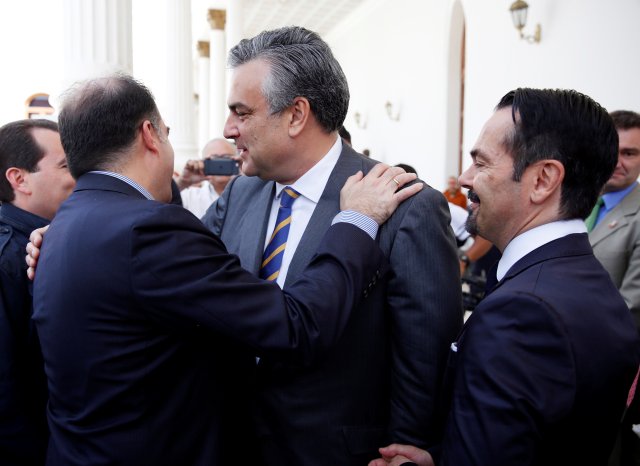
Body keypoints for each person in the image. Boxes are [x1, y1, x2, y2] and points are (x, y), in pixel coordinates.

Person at [30, 74, 420, 466]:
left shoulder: (63, 229)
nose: (228, 129)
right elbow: (295, 325)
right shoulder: (146, 230)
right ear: (150, 134)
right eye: (168, 133)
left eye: (241, 113)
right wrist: (356, 220)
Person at [201, 26, 462, 466]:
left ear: (296, 115)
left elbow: (422, 358)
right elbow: (180, 261)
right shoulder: (240, 194)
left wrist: (407, 448)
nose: (228, 129)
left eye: (241, 113)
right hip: (233, 444)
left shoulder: (405, 205)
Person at [370, 88, 640, 466]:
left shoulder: (524, 312)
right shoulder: (585, 280)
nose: (464, 179)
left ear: (543, 179)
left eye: (481, 163)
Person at [0, 119, 75, 465]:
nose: (79, 174)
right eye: (65, 164)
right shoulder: (8, 258)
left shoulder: (53, 239)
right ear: (19, 179)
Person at [587, 110, 640, 466]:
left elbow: (631, 305)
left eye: (631, 153)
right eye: (613, 149)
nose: (618, 162)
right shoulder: (580, 203)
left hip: (605, 366)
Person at [174, 138, 237, 218]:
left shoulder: (247, 195)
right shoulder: (190, 196)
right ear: (203, 162)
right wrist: (181, 182)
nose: (220, 166)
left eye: (226, 158)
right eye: (214, 159)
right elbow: (158, 205)